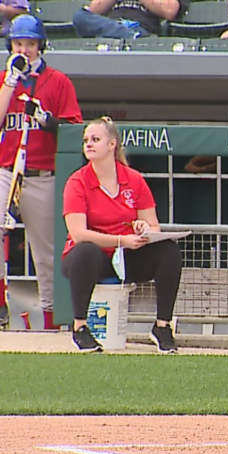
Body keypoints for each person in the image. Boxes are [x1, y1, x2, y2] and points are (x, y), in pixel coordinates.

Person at [0, 14, 82, 332]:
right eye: (18, 43)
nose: (24, 50)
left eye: (30, 44)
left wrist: (48, 121)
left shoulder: (58, 80)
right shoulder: (2, 80)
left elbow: (74, 129)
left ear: (41, 46)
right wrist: (10, 83)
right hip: (8, 171)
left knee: (46, 252)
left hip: (42, 173)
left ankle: (51, 320)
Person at [62, 118, 181, 353]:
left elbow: (153, 225)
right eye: (86, 140)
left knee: (169, 250)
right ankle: (80, 327)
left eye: (95, 139)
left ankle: (162, 326)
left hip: (126, 256)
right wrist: (120, 240)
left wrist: (143, 230)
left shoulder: (133, 179)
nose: (89, 144)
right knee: (85, 249)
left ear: (112, 144)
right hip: (90, 259)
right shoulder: (77, 181)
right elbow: (78, 234)